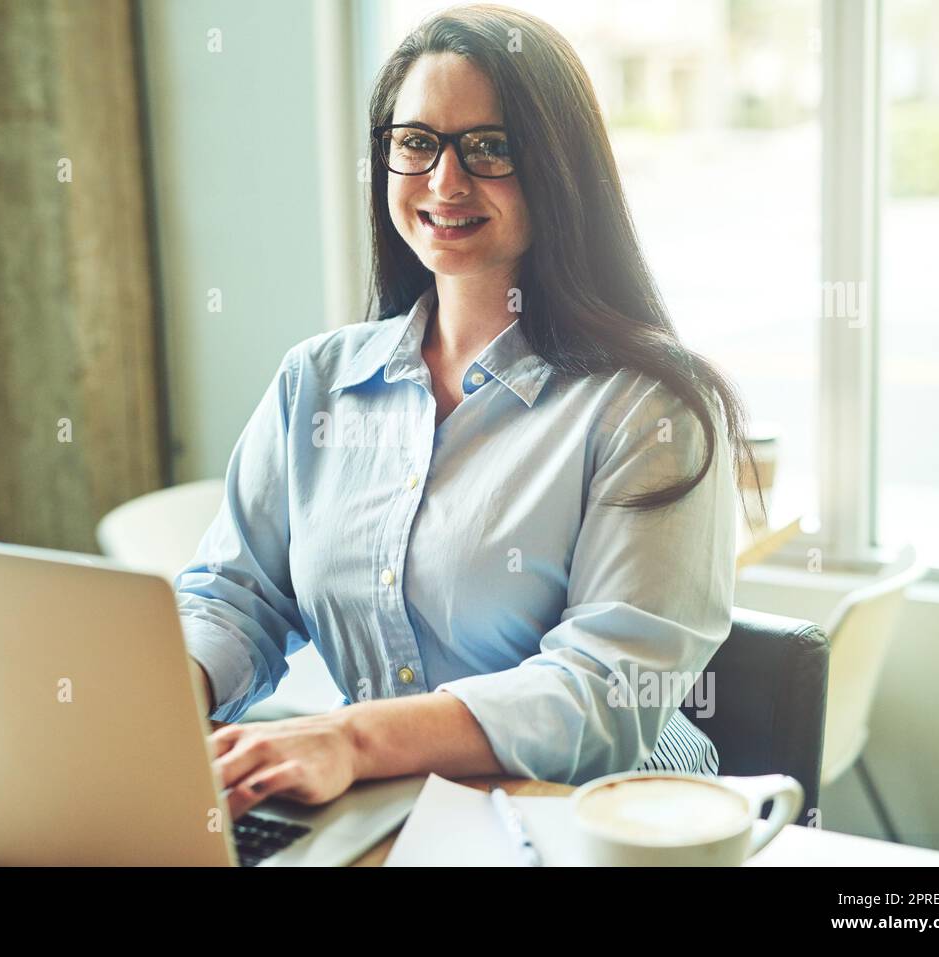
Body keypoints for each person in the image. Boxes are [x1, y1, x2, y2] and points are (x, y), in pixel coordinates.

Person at [176, 3, 761, 823]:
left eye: (490, 148)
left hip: (602, 819)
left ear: (557, 169)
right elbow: (237, 595)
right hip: (387, 815)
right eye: (417, 143)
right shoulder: (316, 380)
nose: (445, 182)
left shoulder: (650, 408)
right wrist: (162, 695)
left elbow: (603, 689)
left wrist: (352, 737)